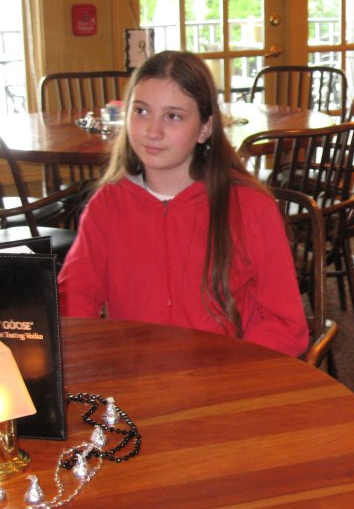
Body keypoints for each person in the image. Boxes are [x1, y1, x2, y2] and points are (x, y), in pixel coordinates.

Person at [58, 50, 308, 357]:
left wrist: (231, 368)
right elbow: (74, 302)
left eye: (173, 116)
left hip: (228, 373)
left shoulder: (251, 207)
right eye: (141, 111)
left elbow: (285, 324)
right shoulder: (107, 206)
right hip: (138, 376)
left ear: (205, 128)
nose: (152, 131)